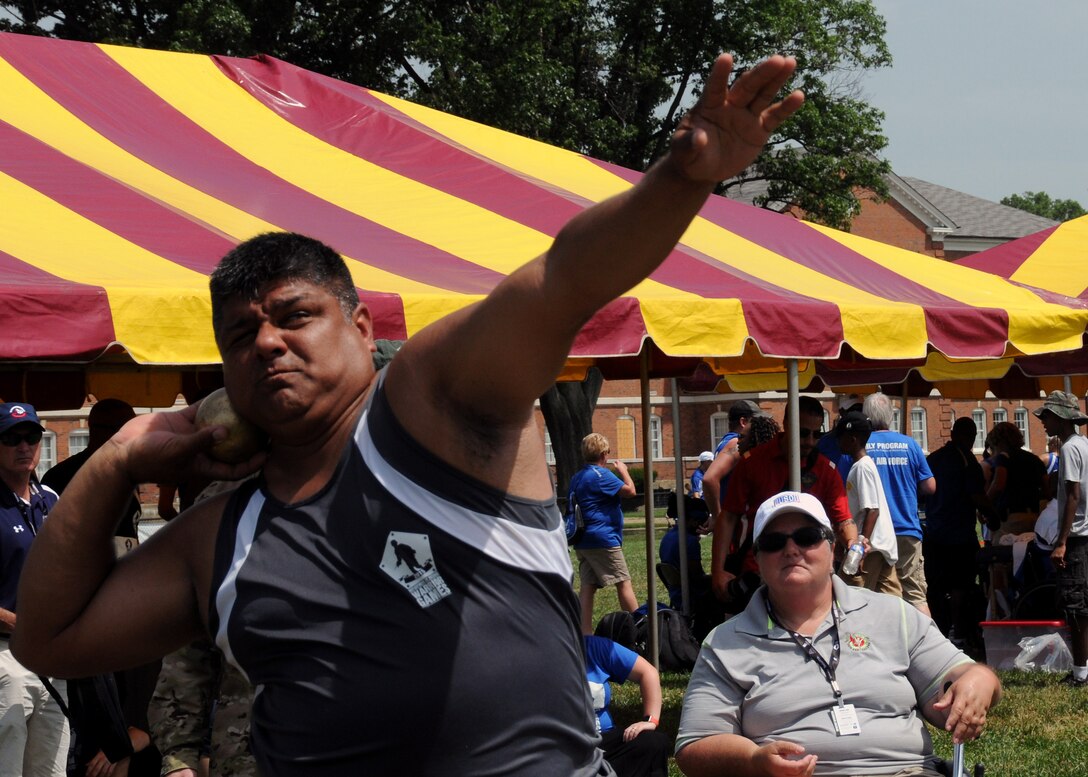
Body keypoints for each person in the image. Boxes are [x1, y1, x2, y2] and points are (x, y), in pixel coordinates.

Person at [12, 52, 806, 776]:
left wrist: (682, 178)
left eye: (295, 316)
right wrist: (117, 459)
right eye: (240, 335)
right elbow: (51, 638)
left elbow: (563, 279)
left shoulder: (432, 405)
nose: (268, 343)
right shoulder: (219, 539)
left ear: (361, 327)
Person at [675, 491, 1002, 777]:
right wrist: (752, 760)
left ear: (832, 549)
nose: (791, 549)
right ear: (757, 561)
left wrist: (979, 683)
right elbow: (695, 747)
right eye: (774, 542)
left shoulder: (892, 614)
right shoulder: (725, 643)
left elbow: (965, 675)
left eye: (806, 537)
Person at [43, 399, 162, 777]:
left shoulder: (128, 473)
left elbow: (127, 535)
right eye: (115, 428)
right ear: (96, 431)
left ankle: (132, 735)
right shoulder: (63, 478)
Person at [711, 396, 856, 607]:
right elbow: (728, 517)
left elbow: (843, 520)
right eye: (803, 433)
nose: (810, 441)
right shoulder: (753, 462)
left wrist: (853, 543)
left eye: (817, 434)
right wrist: (717, 569)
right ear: (787, 425)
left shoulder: (826, 470)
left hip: (808, 572)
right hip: (758, 572)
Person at [0, 402, 69, 776]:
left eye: (30, 437)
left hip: (49, 657)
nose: (23, 446)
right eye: (11, 439)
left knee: (52, 769)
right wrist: (17, 623)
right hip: (4, 658)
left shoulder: (52, 501)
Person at [862, 392, 936, 616]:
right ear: (891, 416)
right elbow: (930, 486)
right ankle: (927, 646)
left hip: (872, 533)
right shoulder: (910, 444)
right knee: (914, 594)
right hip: (906, 527)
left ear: (866, 417)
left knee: (869, 595)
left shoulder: (859, 446)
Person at [1034, 390, 1088, 687]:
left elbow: (1073, 495)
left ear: (1062, 419)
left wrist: (1062, 542)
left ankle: (1081, 673)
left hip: (1077, 537)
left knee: (1076, 606)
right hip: (1085, 534)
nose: (1043, 422)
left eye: (1047, 416)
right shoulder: (1085, 444)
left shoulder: (1068, 449)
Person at [924, 417, 989, 651]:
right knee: (961, 586)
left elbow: (921, 493)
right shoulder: (968, 462)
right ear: (970, 437)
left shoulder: (933, 459)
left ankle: (938, 635)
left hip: (934, 533)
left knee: (935, 588)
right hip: (959, 534)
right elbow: (977, 496)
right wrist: (993, 515)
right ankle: (959, 634)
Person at [572, 433, 639, 634]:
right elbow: (630, 491)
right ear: (604, 454)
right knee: (623, 582)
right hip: (603, 538)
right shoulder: (601, 474)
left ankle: (585, 632)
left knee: (588, 585)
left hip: (583, 540)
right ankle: (640, 628)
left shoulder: (577, 477)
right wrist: (624, 471)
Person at [584, 635, 670, 777]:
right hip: (560, 747)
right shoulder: (537, 653)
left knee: (653, 743)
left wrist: (650, 720)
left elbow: (648, 672)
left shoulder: (592, 646)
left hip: (603, 738)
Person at [834, 411, 900, 595]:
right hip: (882, 545)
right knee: (891, 601)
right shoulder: (864, 465)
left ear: (853, 439)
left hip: (870, 548)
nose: (838, 442)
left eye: (841, 437)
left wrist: (860, 545)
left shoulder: (862, 467)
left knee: (846, 596)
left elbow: (872, 510)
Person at [701, 400, 766, 518]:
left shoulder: (728, 441)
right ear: (743, 422)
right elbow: (709, 479)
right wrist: (717, 517)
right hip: (734, 520)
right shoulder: (736, 443)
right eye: (756, 421)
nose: (761, 424)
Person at [985, 421, 1047, 541]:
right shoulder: (1034, 459)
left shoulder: (1003, 458)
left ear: (999, 442)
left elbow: (998, 485)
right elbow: (1047, 490)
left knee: (1004, 555)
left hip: (1010, 519)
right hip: (1034, 516)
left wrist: (985, 504)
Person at [817, 393, 864, 485]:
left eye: (860, 410)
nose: (857, 415)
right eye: (853, 410)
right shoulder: (826, 441)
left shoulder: (867, 438)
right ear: (842, 411)